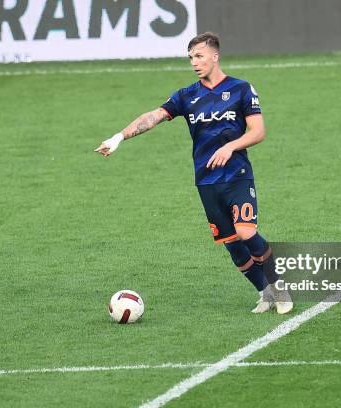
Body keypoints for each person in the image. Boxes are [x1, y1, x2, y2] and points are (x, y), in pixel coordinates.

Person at [94, 32, 292, 314]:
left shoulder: (241, 89)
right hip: (206, 181)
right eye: (190, 58)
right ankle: (264, 292)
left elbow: (258, 131)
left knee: (246, 232)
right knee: (232, 244)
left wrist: (229, 147)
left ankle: (278, 285)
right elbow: (154, 117)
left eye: (199, 56)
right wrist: (120, 137)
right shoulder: (187, 96)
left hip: (237, 175)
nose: (194, 62)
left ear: (215, 56)